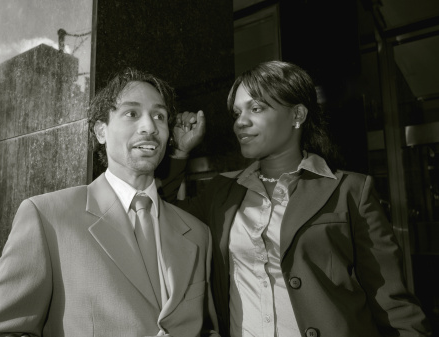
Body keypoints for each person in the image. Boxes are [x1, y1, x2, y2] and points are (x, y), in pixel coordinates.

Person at [162, 60, 432, 336]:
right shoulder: (222, 192)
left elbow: (393, 305)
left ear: (297, 115)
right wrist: (179, 154)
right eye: (236, 113)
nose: (240, 122)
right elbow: (160, 213)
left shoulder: (350, 190)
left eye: (256, 108)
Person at [0, 68, 219, 337]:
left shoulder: (198, 234)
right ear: (101, 130)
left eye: (159, 116)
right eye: (132, 113)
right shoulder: (47, 217)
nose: (149, 126)